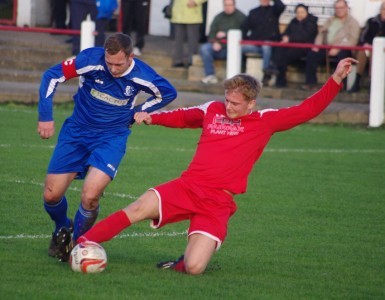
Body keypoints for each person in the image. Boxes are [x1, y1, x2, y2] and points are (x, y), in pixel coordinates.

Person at [58, 57, 357, 275]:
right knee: (137, 208)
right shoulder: (212, 110)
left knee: (195, 268)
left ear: (251, 103)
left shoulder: (265, 122)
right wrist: (153, 117)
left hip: (218, 202)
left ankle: (180, 262)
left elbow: (308, 109)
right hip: (188, 187)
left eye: (236, 104)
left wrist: (336, 79)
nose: (229, 107)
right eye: (227, 100)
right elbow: (183, 116)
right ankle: (81, 243)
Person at [37, 33, 177, 262]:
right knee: (51, 195)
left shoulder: (143, 75)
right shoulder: (90, 60)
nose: (113, 68)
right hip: (77, 132)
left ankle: (76, 244)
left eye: (119, 64)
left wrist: (140, 111)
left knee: (90, 196)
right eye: (109, 62)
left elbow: (168, 92)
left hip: (112, 137)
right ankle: (62, 227)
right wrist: (45, 116)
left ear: (131, 57)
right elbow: (52, 75)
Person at [301, 0, 360, 90]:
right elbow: (321, 34)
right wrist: (317, 45)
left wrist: (338, 48)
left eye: (341, 8)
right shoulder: (330, 20)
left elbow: (353, 40)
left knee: (343, 57)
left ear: (346, 8)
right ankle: (311, 83)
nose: (338, 10)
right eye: (336, 8)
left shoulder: (353, 22)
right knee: (312, 55)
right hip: (326, 47)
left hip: (343, 48)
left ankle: (340, 85)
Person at [241, 0, 286, 86]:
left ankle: (266, 71)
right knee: (239, 48)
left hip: (270, 45)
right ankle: (240, 74)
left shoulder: (274, 10)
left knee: (266, 46)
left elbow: (281, 6)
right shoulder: (253, 12)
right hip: (255, 44)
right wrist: (245, 39)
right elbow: (244, 27)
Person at [200, 0, 246, 85]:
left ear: (234, 5)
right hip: (219, 47)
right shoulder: (218, 17)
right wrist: (215, 42)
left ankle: (236, 78)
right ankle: (210, 75)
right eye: (225, 5)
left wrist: (226, 34)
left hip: (233, 48)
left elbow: (244, 34)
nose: (227, 7)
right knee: (205, 48)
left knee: (238, 50)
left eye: (230, 5)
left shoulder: (241, 17)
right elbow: (211, 33)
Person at [274, 4, 318, 88]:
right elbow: (286, 32)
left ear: (306, 12)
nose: (300, 14)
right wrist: (284, 36)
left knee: (284, 55)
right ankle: (279, 79)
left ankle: (279, 78)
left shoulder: (311, 22)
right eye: (298, 12)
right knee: (279, 50)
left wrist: (289, 38)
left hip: (305, 48)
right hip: (292, 46)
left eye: (302, 12)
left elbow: (305, 36)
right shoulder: (294, 21)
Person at [348, 1, 385, 93]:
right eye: (384, 9)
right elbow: (363, 36)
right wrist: (365, 43)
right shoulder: (371, 21)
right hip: (370, 48)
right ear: (380, 10)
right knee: (363, 51)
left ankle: (374, 83)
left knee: (375, 54)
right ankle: (357, 81)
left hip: (382, 50)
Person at [171, 0, 207, 68]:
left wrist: (196, 2)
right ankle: (178, 60)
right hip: (178, 13)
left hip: (192, 12)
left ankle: (192, 60)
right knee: (178, 40)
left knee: (193, 40)